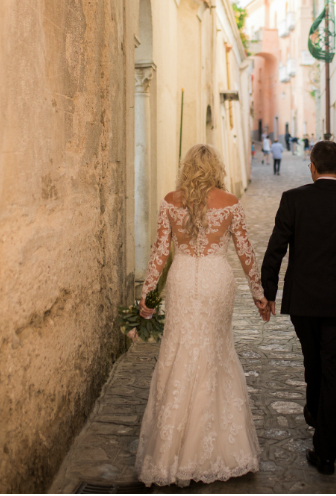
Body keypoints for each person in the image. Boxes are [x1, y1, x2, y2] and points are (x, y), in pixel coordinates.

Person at [134, 144, 270, 486]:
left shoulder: (170, 201)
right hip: (215, 280)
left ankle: (172, 449)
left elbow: (159, 253)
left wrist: (147, 298)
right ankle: (216, 447)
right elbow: (245, 252)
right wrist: (260, 296)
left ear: (187, 167)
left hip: (182, 278)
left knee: (179, 347)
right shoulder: (230, 203)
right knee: (214, 350)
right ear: (215, 169)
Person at [260, 141, 336, 476]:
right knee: (335, 370)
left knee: (313, 360)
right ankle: (327, 449)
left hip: (304, 301)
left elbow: (276, 247)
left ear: (312, 166)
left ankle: (316, 415)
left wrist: (268, 291)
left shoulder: (294, 200)